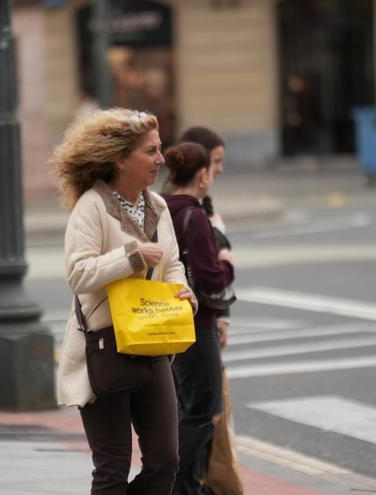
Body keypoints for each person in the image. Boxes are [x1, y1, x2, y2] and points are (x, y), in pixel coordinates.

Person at [54, 108, 197, 494]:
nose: (161, 159)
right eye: (150, 151)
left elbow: (172, 264)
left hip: (151, 344)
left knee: (166, 461)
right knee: (112, 469)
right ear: (121, 159)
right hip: (104, 347)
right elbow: (78, 273)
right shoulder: (92, 207)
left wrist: (184, 294)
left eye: (159, 149)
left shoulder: (159, 206)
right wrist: (131, 257)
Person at [162, 142, 235, 495]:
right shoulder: (195, 216)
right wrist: (227, 264)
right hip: (197, 322)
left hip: (164, 320)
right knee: (203, 411)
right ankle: (175, 484)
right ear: (202, 175)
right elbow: (210, 277)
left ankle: (186, 484)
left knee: (184, 406)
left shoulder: (159, 209)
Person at [178, 127, 230, 348]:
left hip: (202, 312)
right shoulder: (190, 210)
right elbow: (210, 271)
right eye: (216, 161)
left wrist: (223, 316)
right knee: (206, 382)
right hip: (194, 316)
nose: (220, 169)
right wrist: (226, 256)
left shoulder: (199, 204)